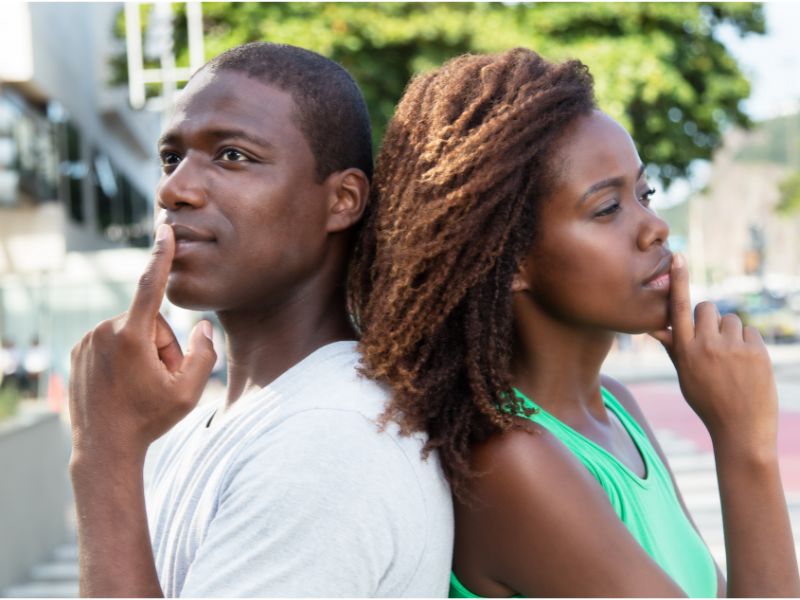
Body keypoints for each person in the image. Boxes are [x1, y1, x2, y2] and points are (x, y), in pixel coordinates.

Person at [350, 48, 800, 597]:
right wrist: (745, 444)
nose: (655, 228)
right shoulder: (513, 463)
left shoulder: (618, 409)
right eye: (607, 209)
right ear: (509, 258)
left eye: (645, 194)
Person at [68, 42, 453, 598]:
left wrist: (100, 453)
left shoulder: (332, 438)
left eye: (232, 156)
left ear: (343, 200)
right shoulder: (201, 434)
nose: (173, 189)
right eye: (172, 158)